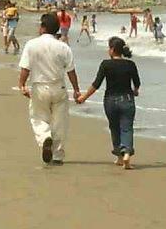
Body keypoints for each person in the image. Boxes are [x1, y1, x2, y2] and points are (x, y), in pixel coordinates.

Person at [18, 12, 82, 164]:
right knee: (60, 121)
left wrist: (21, 85)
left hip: (39, 86)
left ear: (43, 27)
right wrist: (76, 89)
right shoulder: (63, 47)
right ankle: (58, 154)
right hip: (58, 86)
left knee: (38, 118)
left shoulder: (31, 45)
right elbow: (71, 71)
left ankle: (45, 137)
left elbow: (25, 68)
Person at [76, 36, 141, 169]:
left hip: (110, 101)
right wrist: (135, 91)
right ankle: (127, 153)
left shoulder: (106, 64)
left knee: (114, 127)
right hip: (127, 100)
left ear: (112, 50)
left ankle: (119, 157)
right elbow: (137, 84)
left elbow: (96, 84)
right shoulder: (130, 64)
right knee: (127, 127)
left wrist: (84, 97)